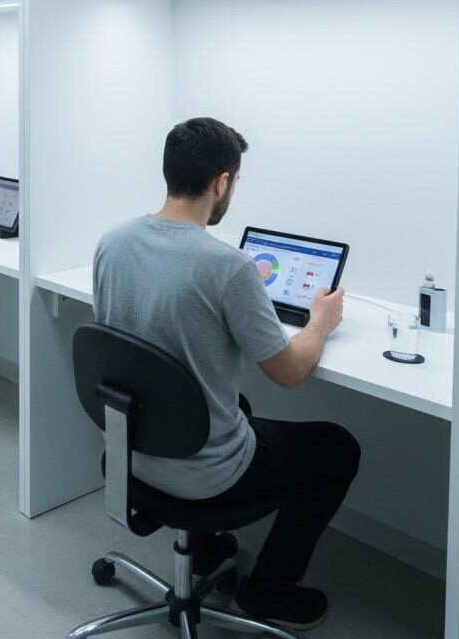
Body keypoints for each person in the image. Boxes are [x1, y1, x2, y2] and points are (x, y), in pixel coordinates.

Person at [93, 117, 360, 631]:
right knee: (337, 448)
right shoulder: (228, 266)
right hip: (204, 472)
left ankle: (209, 548)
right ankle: (268, 592)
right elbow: (290, 371)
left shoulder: (113, 241)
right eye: (234, 182)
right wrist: (320, 324)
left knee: (238, 407)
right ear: (222, 182)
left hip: (131, 450)